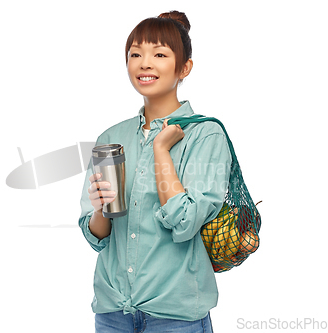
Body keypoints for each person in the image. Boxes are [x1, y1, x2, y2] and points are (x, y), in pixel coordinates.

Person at [78, 11, 232, 333]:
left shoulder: (206, 135)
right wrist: (100, 208)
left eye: (159, 54)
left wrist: (161, 151)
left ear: (184, 68)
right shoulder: (112, 138)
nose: (144, 64)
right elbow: (97, 237)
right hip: (112, 312)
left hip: (175, 316)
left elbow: (186, 223)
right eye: (136, 54)